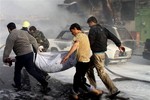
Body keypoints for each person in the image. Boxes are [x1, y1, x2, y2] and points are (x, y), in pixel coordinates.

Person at [3, 22, 50, 93]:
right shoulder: (23, 32)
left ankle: (18, 85)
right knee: (31, 70)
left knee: (17, 71)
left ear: (9, 29)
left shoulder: (11, 35)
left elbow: (8, 48)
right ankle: (43, 82)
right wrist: (37, 49)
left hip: (21, 55)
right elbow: (33, 40)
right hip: (29, 54)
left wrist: (5, 58)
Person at [61, 23, 103, 100]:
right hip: (86, 60)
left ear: (75, 29)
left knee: (78, 79)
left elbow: (76, 45)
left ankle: (93, 91)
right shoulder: (84, 35)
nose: (72, 33)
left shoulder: (78, 36)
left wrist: (67, 56)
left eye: (72, 31)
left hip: (82, 61)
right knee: (79, 78)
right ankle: (77, 92)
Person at [86, 16, 124, 98]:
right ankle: (93, 88)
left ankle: (113, 89)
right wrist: (119, 45)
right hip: (101, 54)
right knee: (88, 68)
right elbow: (113, 36)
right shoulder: (103, 29)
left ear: (91, 22)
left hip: (97, 54)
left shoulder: (93, 29)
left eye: (89, 24)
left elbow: (90, 42)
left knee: (101, 73)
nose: (89, 26)